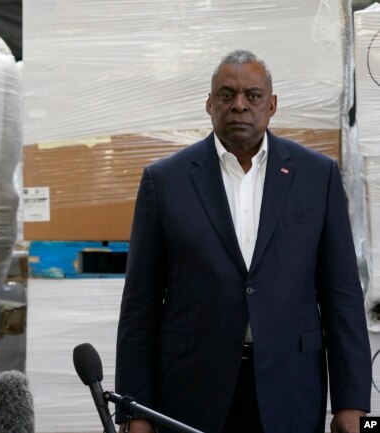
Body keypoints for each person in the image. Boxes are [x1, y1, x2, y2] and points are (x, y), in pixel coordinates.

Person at [115, 50, 371, 433]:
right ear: (208, 104)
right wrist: (134, 409)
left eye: (252, 96)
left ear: (272, 105)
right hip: (191, 391)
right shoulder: (165, 181)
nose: (239, 106)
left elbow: (342, 294)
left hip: (291, 388)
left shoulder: (317, 177)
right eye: (226, 95)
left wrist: (351, 400)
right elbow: (140, 303)